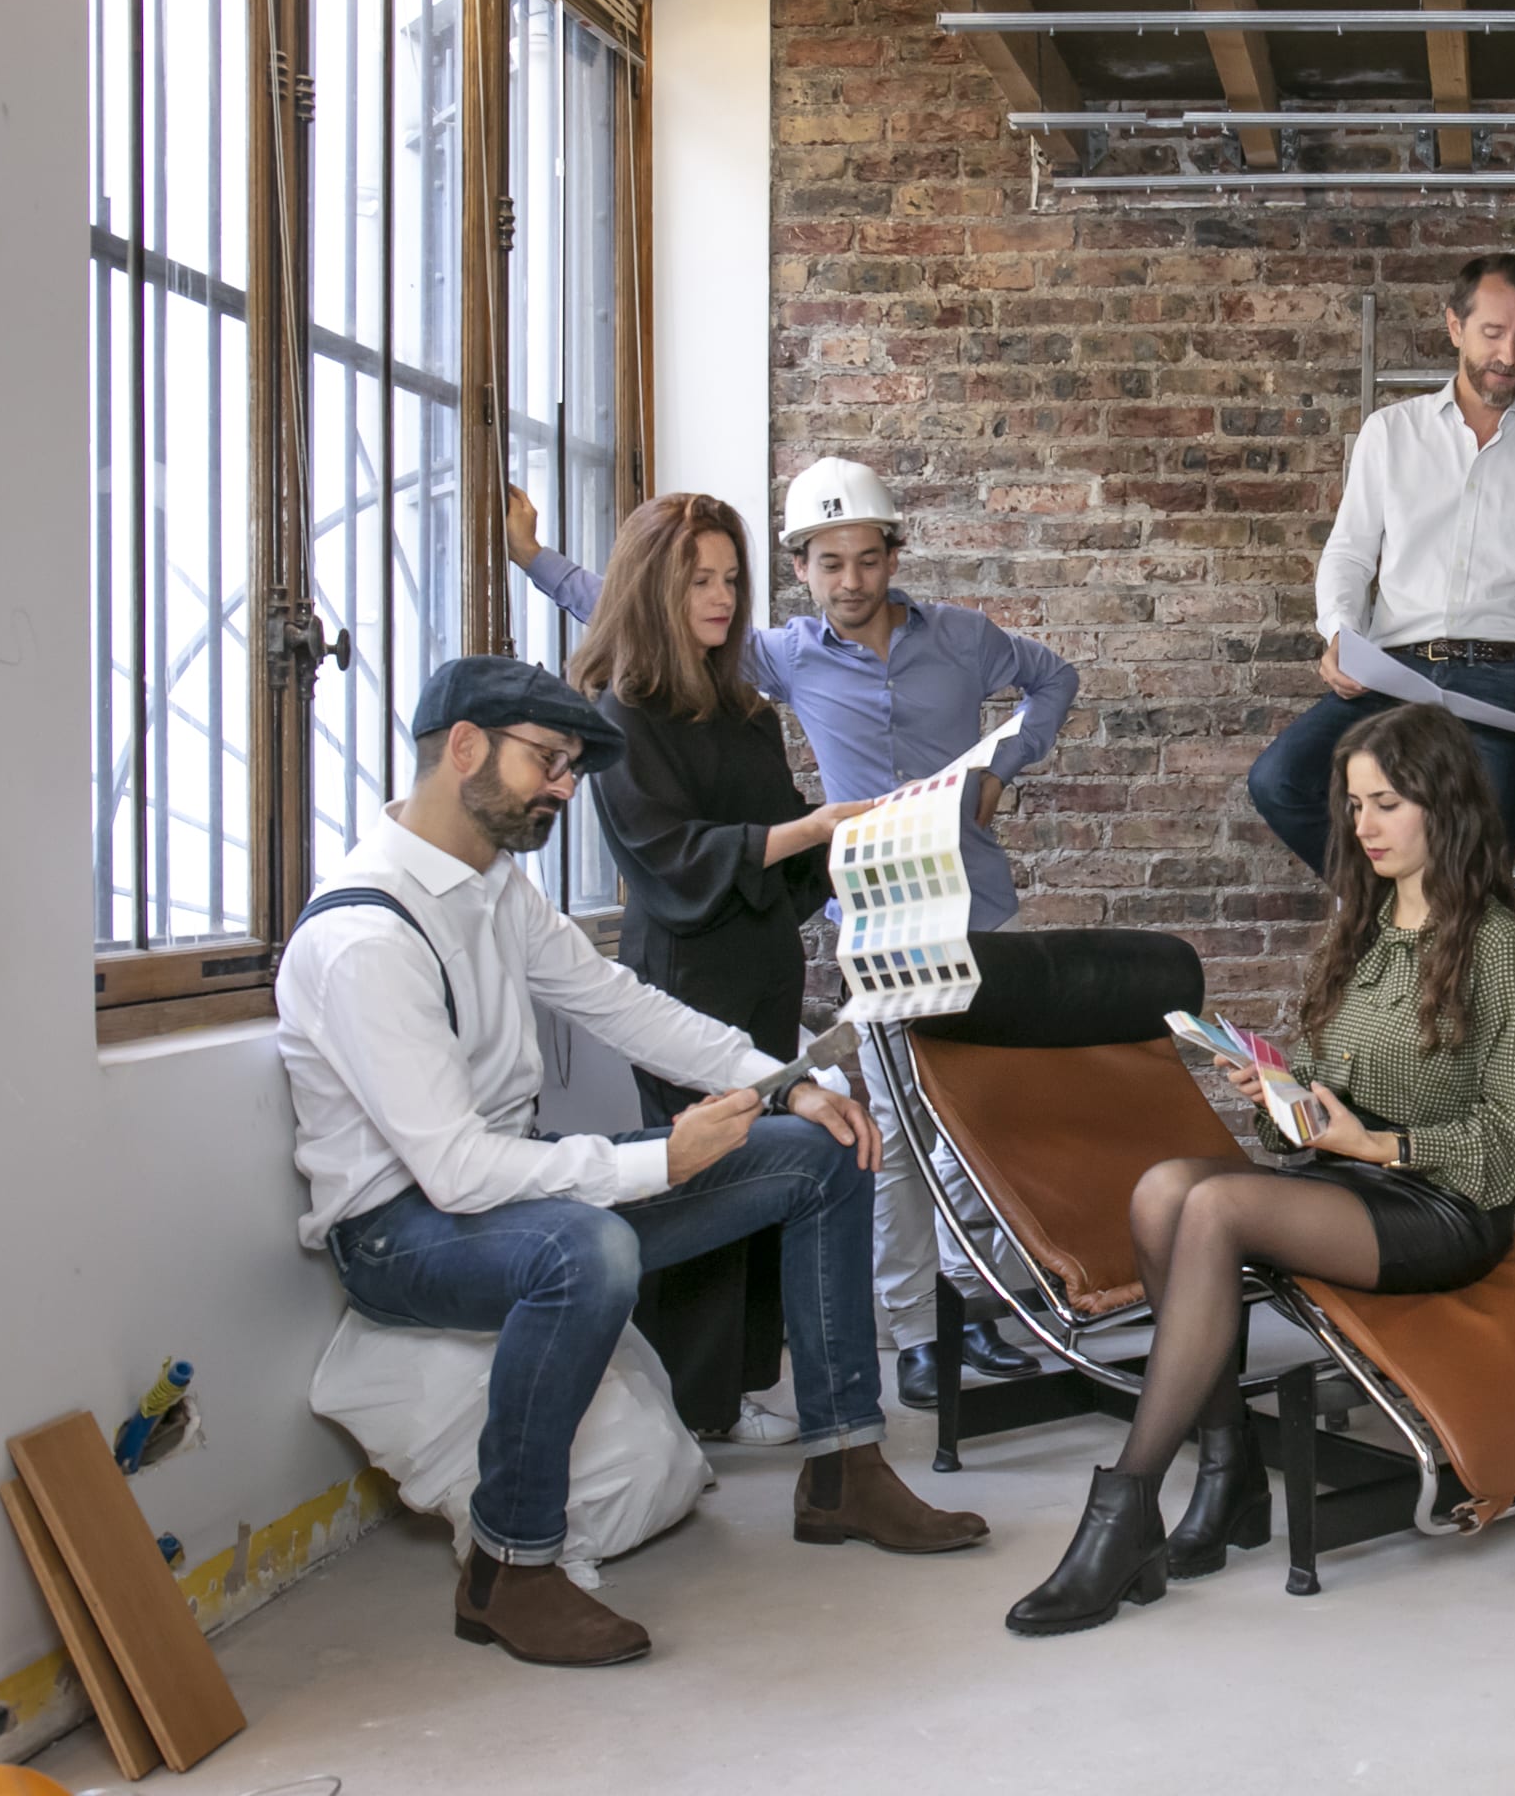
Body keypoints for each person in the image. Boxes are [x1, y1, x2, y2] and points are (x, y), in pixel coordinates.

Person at [277, 656, 986, 1670]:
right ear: (466, 746)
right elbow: (456, 1176)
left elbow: (621, 1002)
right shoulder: (363, 935)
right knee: (589, 1248)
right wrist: (662, 1162)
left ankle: (842, 1468)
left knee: (818, 1152)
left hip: (513, 1181)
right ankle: (510, 1567)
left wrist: (784, 1080)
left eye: (572, 764)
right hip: (401, 1231)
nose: (566, 785)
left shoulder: (492, 888)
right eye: (548, 761)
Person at [510, 461, 1074, 1410]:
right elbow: (637, 600)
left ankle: (967, 1302)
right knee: (885, 1128)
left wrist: (1002, 768)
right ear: (805, 571)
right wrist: (533, 559)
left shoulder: (962, 642)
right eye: (827, 564)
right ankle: (912, 1329)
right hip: (873, 920)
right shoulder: (777, 659)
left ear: (893, 557)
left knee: (982, 1118)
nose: (849, 582)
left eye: (866, 559)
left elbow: (1053, 679)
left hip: (971, 906)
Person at [1008, 705, 1515, 1635]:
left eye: (1387, 802)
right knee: (1162, 1190)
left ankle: (1127, 1507)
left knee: (1214, 1210)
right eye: (1353, 805)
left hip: (1444, 1203)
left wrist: (1371, 1146)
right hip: (1354, 1179)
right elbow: (1316, 1123)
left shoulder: (1498, 946)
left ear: (1445, 804)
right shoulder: (1366, 930)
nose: (1363, 825)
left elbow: (1510, 1143)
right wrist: (1282, 1096)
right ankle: (1227, 1482)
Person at [562, 493, 879, 1446]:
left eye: (731, 579)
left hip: (762, 971)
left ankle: (742, 1386)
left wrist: (856, 845)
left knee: (766, 1177)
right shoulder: (622, 712)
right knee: (704, 1173)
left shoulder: (744, 708)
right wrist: (809, 831)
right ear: (653, 584)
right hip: (682, 980)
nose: (720, 596)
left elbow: (781, 852)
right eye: (699, 579)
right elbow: (674, 860)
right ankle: (691, 1407)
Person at [1246, 252, 1515, 870]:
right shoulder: (1390, 433)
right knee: (1279, 780)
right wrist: (1339, 632)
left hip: (1500, 681)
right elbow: (1350, 553)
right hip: (1389, 676)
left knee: (1474, 856)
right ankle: (1395, 913)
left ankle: (1422, 924)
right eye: (1493, 333)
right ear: (1454, 327)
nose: (1508, 356)